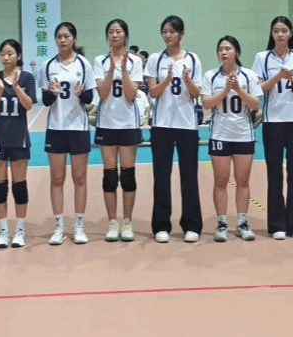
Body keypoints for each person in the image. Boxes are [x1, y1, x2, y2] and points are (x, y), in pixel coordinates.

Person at [254, 16, 293, 240]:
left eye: (284, 30)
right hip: (273, 122)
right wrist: (278, 76)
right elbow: (259, 89)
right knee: (274, 173)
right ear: (272, 34)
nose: (280, 34)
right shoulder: (262, 57)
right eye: (276, 31)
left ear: (290, 33)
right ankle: (276, 225)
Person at [145, 15, 203, 243]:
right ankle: (161, 225)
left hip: (187, 125)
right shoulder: (155, 59)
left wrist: (187, 81)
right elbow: (152, 92)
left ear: (181, 34)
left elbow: (197, 93)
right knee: (161, 176)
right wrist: (167, 80)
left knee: (189, 176)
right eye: (164, 32)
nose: (168, 35)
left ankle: (192, 225)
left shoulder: (193, 59)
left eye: (172, 31)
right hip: (162, 125)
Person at [38, 22, 95, 245]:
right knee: (57, 178)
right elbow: (45, 100)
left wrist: (81, 95)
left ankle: (79, 225)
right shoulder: (48, 65)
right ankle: (59, 226)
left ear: (74, 39)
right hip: (56, 127)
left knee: (79, 178)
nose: (62, 40)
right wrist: (52, 94)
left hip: (78, 128)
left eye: (66, 36)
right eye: (59, 37)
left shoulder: (83, 64)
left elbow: (89, 97)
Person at [201, 36, 263, 242]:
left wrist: (238, 89)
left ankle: (242, 223)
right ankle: (222, 224)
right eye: (220, 49)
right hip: (220, 134)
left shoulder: (248, 75)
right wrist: (226, 90)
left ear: (237, 51)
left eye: (228, 48)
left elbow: (255, 104)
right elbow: (207, 103)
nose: (224, 52)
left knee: (243, 181)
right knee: (221, 182)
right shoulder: (211, 76)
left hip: (243, 134)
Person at [0, 39, 37, 248]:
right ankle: (3, 231)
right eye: (3, 54)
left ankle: (20, 230)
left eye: (10, 53)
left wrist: (15, 87)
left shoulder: (27, 78)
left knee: (19, 186)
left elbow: (29, 105)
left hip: (19, 137)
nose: (6, 58)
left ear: (18, 56)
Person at [93, 19, 144, 242]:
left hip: (128, 124)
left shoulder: (135, 61)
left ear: (125, 35)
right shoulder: (100, 61)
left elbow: (131, 95)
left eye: (118, 31)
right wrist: (112, 68)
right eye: (111, 32)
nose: (114, 35)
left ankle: (128, 222)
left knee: (128, 176)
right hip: (106, 123)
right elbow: (103, 93)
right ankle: (112, 222)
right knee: (110, 176)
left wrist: (123, 70)